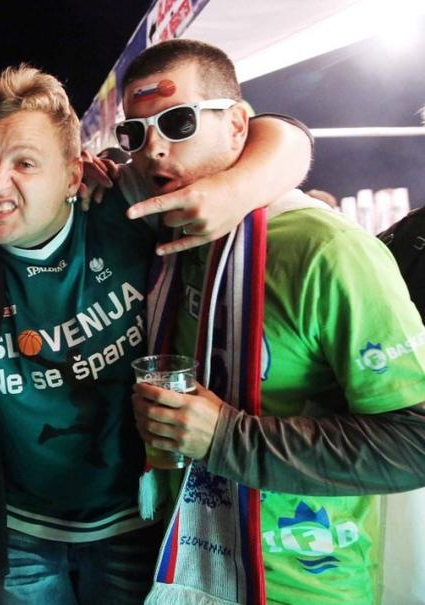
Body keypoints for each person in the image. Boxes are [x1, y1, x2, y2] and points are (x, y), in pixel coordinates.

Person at [0, 64, 311, 604]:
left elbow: (284, 137)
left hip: (134, 520)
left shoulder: (124, 202)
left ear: (73, 177)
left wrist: (234, 190)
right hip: (21, 531)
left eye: (25, 163)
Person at [124, 40, 425, 605]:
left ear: (238, 125)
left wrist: (227, 438)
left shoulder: (327, 249)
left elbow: (416, 442)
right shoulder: (165, 234)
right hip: (180, 569)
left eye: (178, 121)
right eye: (134, 134)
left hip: (307, 583)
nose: (154, 148)